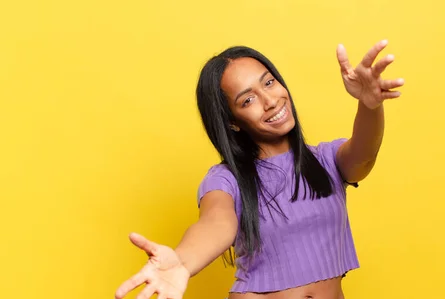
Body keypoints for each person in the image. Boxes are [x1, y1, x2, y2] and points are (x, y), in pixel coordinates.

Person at [115, 40, 404, 299]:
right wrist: (183, 261)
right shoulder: (225, 180)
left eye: (268, 83)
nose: (269, 101)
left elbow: (364, 157)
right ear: (232, 122)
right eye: (248, 100)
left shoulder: (325, 160)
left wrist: (370, 105)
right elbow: (217, 224)